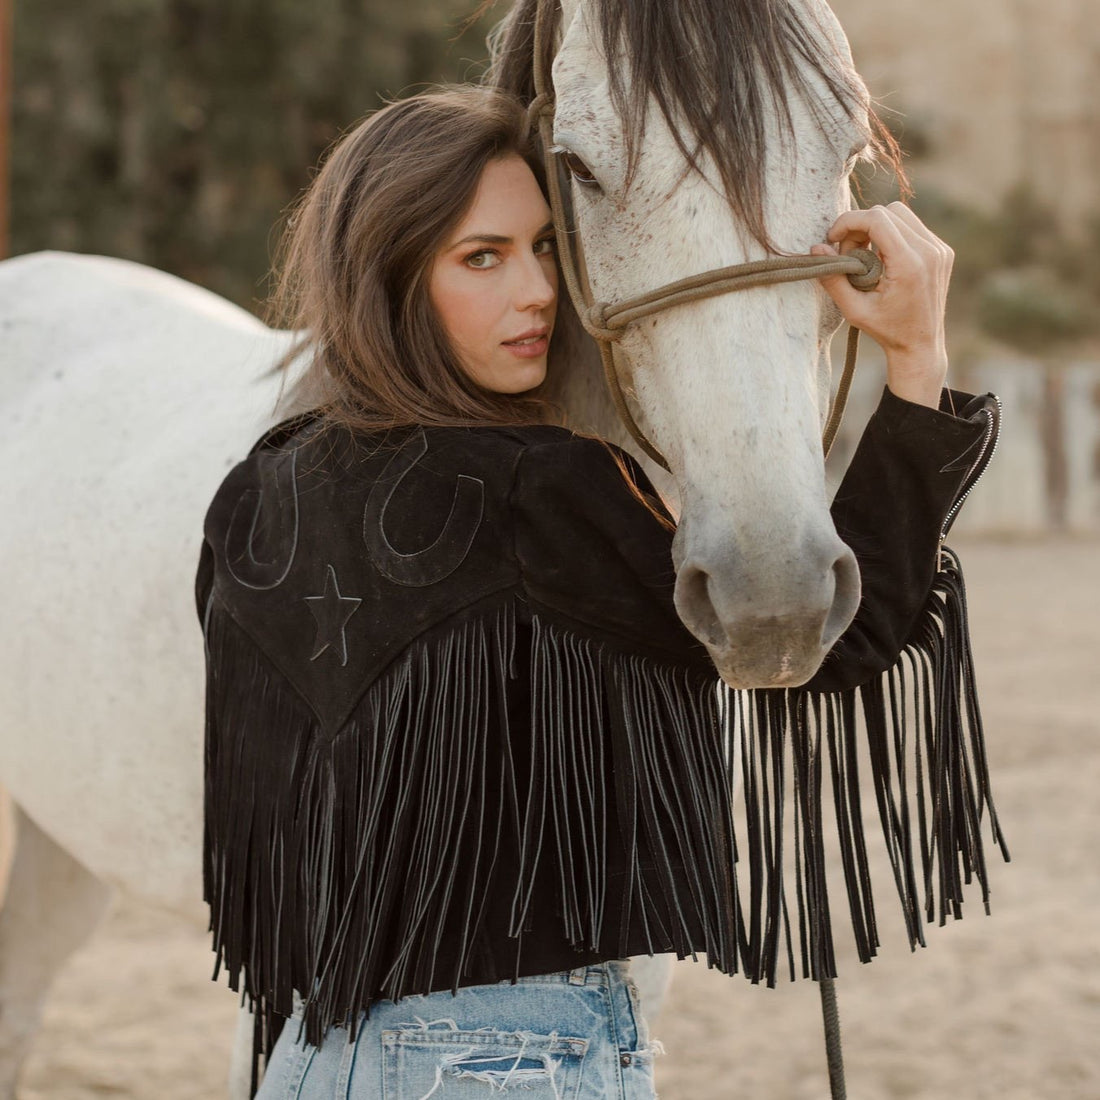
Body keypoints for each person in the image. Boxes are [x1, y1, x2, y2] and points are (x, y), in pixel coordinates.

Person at [195, 85, 1000, 1100]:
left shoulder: (256, 493)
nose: (535, 291)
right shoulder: (541, 485)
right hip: (507, 1058)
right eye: (479, 257)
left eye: (543, 248)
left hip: (312, 1056)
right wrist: (915, 356)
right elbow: (825, 638)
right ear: (389, 275)